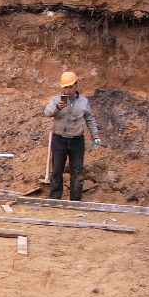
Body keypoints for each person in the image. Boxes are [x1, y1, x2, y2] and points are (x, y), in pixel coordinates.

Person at [44, 71, 101, 201]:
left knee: (77, 172)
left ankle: (75, 200)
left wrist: (95, 136)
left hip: (77, 141)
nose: (68, 90)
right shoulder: (56, 100)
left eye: (70, 87)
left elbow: (90, 119)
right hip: (59, 140)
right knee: (57, 171)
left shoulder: (83, 102)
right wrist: (57, 108)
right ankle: (54, 198)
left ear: (76, 86)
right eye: (65, 87)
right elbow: (47, 112)